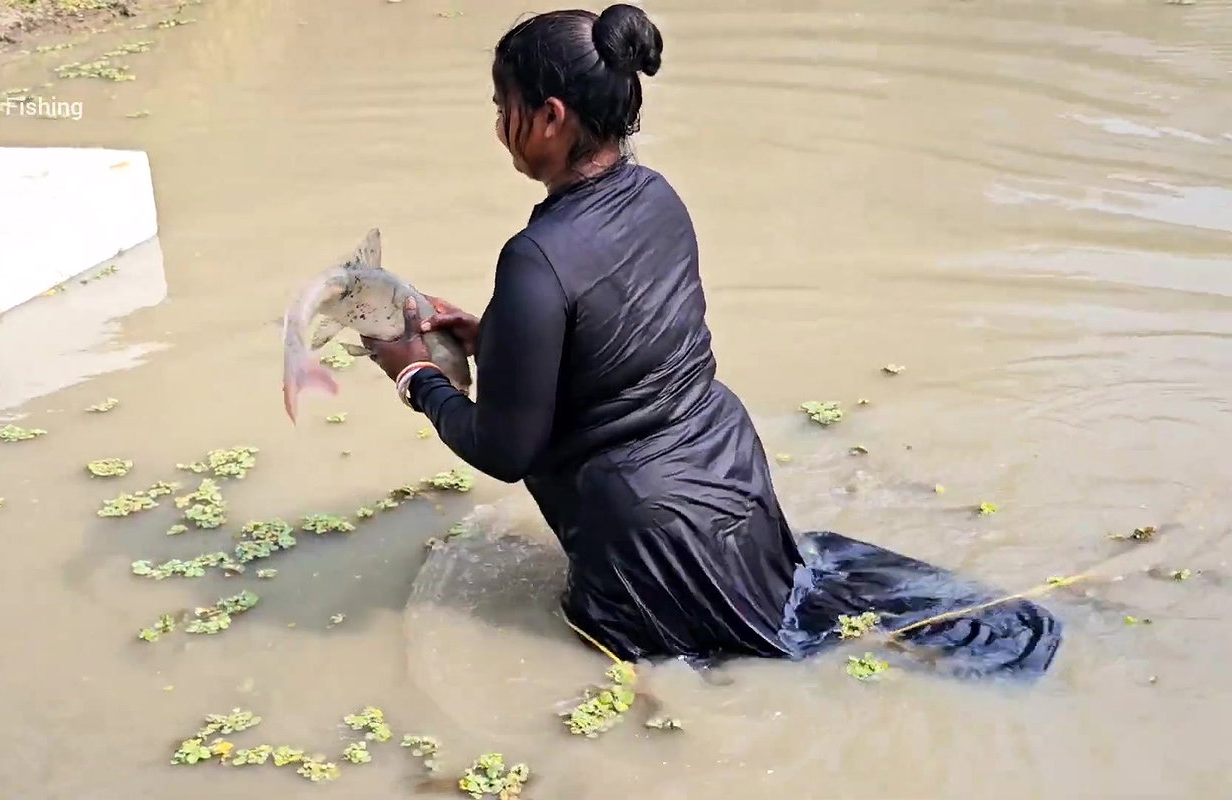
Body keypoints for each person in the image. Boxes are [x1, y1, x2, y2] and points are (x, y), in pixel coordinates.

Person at [363, 4, 1062, 676]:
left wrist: (415, 375)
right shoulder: (658, 196)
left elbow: (505, 450)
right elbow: (629, 353)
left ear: (549, 117)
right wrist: (499, 340)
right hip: (732, 479)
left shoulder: (535, 257)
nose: (497, 125)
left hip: (647, 541)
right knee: (819, 627)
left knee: (706, 675)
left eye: (501, 106)